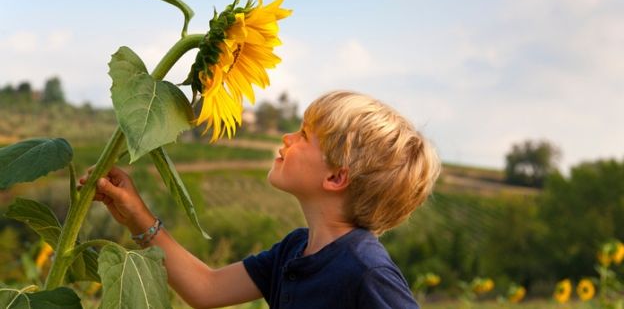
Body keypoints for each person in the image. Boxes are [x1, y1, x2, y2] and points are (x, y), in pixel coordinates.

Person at [82, 90, 440, 309]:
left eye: (303, 135)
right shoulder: (295, 251)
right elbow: (206, 289)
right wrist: (136, 215)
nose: (286, 137)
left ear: (335, 177)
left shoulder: (366, 271)